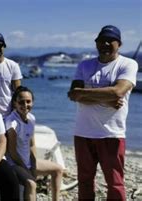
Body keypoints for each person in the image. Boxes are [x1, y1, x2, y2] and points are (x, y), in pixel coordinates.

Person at [67, 25, 138, 200]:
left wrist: (90, 94)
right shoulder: (85, 65)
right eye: (101, 40)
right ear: (96, 43)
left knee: (115, 183)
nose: (105, 44)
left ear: (119, 44)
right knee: (84, 180)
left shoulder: (128, 64)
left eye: (110, 40)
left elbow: (118, 92)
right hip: (83, 132)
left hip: (111, 134)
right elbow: (73, 94)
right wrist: (107, 98)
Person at [5, 86, 63, 201]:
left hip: (27, 162)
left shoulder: (31, 118)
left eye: (28, 101)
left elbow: (31, 145)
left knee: (58, 169)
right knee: (31, 184)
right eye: (21, 102)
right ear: (15, 103)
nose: (25, 105)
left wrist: (33, 166)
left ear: (33, 102)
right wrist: (26, 169)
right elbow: (12, 152)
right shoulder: (12, 122)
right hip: (14, 164)